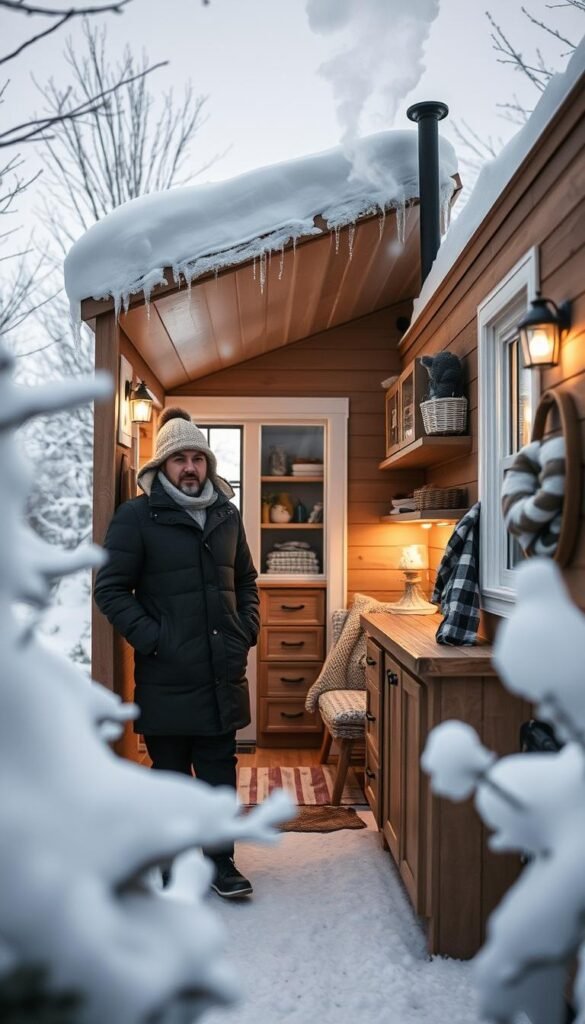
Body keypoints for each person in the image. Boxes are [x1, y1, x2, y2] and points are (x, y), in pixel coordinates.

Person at [94, 407, 259, 898]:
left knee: (218, 771)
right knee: (168, 773)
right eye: (179, 460)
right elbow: (111, 590)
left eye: (197, 458)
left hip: (222, 670)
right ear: (162, 467)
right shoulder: (137, 517)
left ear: (207, 463)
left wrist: (245, 628)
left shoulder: (227, 515)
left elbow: (247, 581)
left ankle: (220, 863)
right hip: (168, 672)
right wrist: (154, 639)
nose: (190, 468)